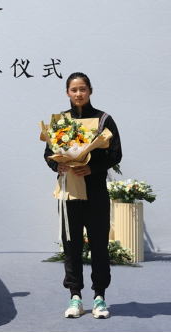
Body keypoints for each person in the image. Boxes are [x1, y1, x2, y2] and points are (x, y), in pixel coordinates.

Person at [44, 72, 122, 319]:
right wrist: (58, 165)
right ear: (67, 92)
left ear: (90, 91)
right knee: (71, 245)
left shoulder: (103, 119)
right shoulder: (60, 121)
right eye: (74, 89)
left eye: (83, 89)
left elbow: (115, 154)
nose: (78, 94)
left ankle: (100, 296)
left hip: (96, 191)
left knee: (99, 244)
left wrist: (92, 168)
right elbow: (48, 153)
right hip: (70, 192)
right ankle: (75, 296)